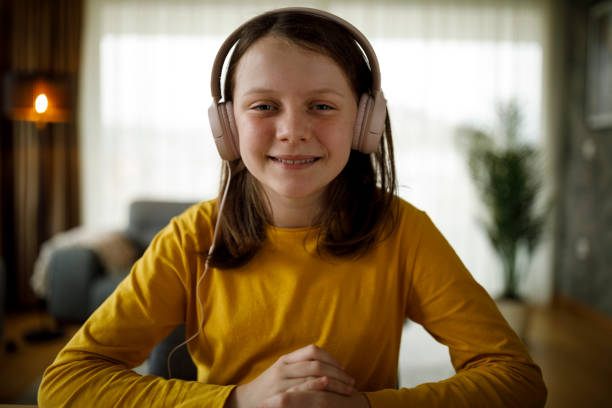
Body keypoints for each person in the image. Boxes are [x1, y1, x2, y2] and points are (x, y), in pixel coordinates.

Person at [38, 7, 546, 408]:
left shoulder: (403, 232)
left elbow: (517, 380)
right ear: (228, 126)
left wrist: (368, 407)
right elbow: (66, 382)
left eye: (322, 106)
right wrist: (236, 402)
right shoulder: (190, 238)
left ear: (364, 123)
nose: (292, 130)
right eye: (264, 106)